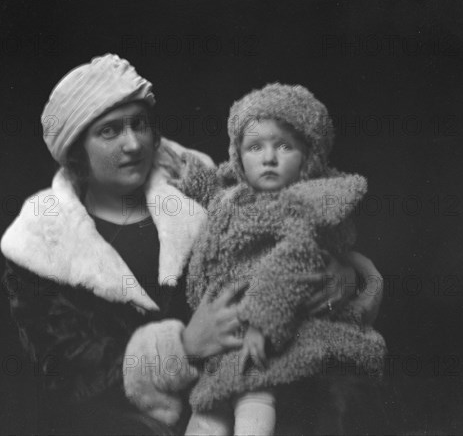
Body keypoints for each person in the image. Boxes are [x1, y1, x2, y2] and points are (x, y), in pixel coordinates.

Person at [0, 54, 384, 435]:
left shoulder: (198, 188)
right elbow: (66, 371)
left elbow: (281, 232)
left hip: (247, 383)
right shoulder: (42, 243)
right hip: (136, 419)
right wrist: (183, 346)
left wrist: (344, 278)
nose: (133, 144)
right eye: (109, 131)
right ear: (75, 150)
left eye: (139, 125)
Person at [163, 83, 386, 435]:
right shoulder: (234, 196)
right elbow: (214, 193)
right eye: (254, 147)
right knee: (209, 408)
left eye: (284, 146)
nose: (269, 157)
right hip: (225, 337)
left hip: (270, 328)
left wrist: (261, 323)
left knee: (255, 392)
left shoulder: (303, 207)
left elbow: (291, 261)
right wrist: (189, 177)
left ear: (309, 157)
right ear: (238, 157)